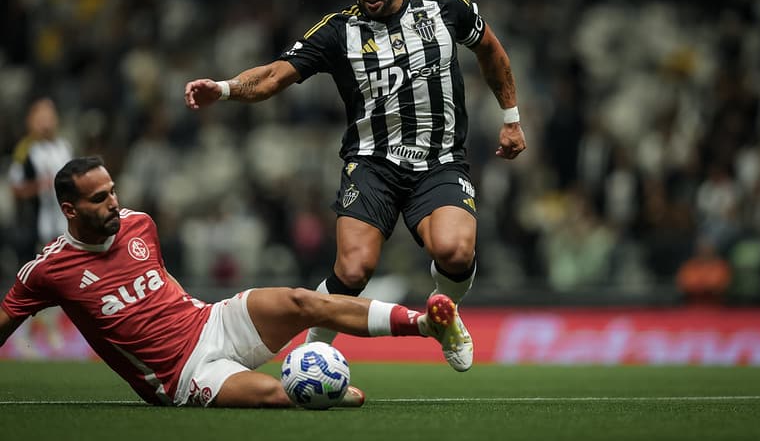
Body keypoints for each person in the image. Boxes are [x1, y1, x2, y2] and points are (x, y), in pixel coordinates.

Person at [184, 0, 526, 372]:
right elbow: (273, 76)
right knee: (352, 270)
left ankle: (447, 316)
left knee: (455, 252)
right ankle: (311, 354)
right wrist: (225, 89)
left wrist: (511, 118)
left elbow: (491, 50)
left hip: (438, 162)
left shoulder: (445, 7)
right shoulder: (336, 32)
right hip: (371, 165)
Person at [0, 156, 470, 407]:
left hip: (211, 322)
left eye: (113, 191)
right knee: (275, 394)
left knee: (300, 300)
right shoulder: (48, 271)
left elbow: (161, 288)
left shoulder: (139, 223)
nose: (112, 203)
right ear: (70, 210)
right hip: (182, 376)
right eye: (99, 198)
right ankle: (329, 393)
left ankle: (427, 325)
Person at [9, 97, 73, 262]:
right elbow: (15, 188)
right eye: (40, 119)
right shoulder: (25, 150)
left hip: (64, 223)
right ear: (30, 122)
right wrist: (39, 186)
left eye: (49, 118)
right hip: (37, 224)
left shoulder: (64, 147)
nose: (46, 125)